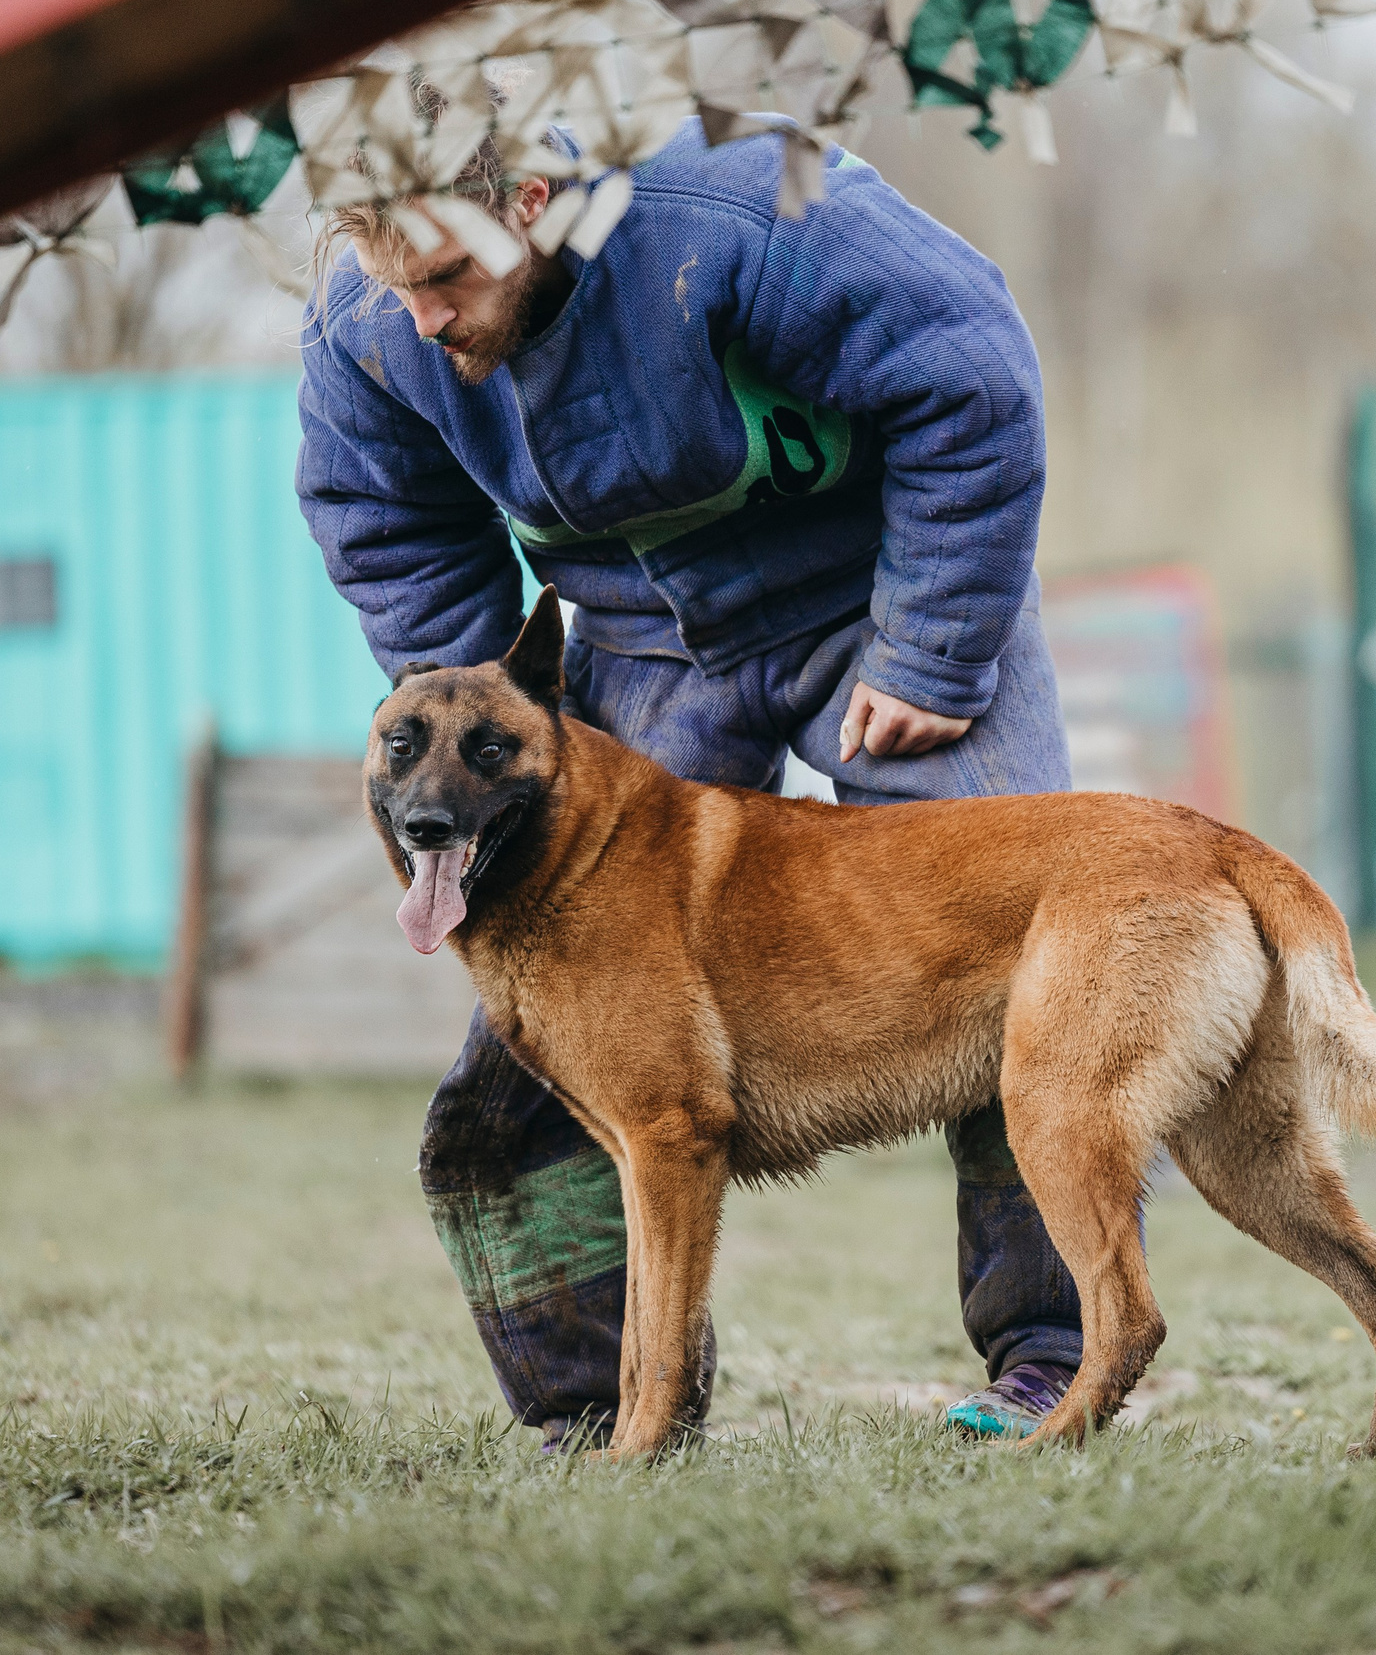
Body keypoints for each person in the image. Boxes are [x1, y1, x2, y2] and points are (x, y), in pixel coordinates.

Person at [294, 116, 1084, 1447]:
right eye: (395, 288)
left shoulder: (745, 211)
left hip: (876, 599)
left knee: (1025, 963)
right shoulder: (367, 327)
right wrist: (493, 711)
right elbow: (385, 525)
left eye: (447, 279)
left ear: (530, 203)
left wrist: (937, 645)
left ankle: (1053, 1358)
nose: (422, 319)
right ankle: (595, 1406)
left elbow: (974, 377)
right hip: (643, 640)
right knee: (548, 1027)